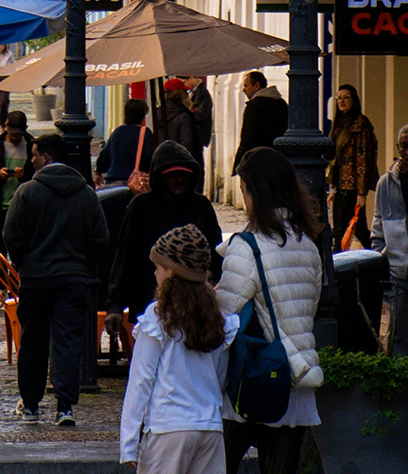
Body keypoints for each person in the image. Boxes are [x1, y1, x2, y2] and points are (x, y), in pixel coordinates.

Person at [217, 146, 324, 473]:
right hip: (295, 381)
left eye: (245, 190)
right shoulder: (308, 244)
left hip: (252, 379)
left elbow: (225, 314)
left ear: (255, 192)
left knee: (218, 466)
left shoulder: (247, 247)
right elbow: (312, 308)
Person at [3, 131, 110, 428]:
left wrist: (26, 263)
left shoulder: (27, 192)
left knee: (33, 340)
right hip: (72, 278)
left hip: (36, 279)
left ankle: (32, 404)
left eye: (35, 154)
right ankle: (65, 406)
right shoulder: (86, 194)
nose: (31, 158)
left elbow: (11, 235)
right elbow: (100, 238)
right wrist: (83, 264)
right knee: (68, 340)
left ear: (47, 158)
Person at [119, 223, 239, 474]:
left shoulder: (158, 317)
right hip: (209, 428)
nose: (154, 273)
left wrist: (128, 443)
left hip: (168, 427)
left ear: (172, 272)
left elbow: (141, 381)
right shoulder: (215, 317)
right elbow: (220, 376)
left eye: (158, 267)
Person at [116, 141, 224, 323]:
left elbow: (216, 255)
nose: (179, 179)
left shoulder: (202, 206)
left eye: (183, 175)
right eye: (172, 175)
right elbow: (125, 257)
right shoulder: (141, 207)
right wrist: (115, 306)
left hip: (194, 309)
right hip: (147, 305)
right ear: (159, 177)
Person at [369, 120, 408, 355]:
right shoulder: (386, 182)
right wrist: (382, 256)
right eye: (403, 146)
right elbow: (378, 225)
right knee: (398, 333)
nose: (407, 151)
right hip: (398, 270)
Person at [327, 83, 379, 250]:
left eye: (346, 97)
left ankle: (378, 259)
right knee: (339, 232)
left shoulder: (360, 125)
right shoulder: (339, 124)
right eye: (339, 98)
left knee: (359, 230)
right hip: (340, 186)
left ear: (353, 100)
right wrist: (333, 186)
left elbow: (363, 160)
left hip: (352, 188)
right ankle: (337, 269)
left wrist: (361, 192)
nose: (341, 101)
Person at [0, 111, 36, 247]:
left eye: (18, 134)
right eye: (12, 133)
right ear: (6, 126)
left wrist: (24, 175)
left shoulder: (31, 145)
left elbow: (37, 173)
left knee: (21, 244)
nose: (15, 137)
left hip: (22, 205)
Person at [97, 96, 155, 186]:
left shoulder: (117, 132)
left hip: (114, 181)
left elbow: (104, 158)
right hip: (137, 183)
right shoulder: (145, 133)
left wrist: (98, 171)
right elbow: (150, 157)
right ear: (142, 116)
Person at [233, 74, 287, 169]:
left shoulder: (254, 106)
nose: (243, 90)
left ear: (256, 85)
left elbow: (248, 137)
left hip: (257, 160)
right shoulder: (281, 104)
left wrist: (241, 162)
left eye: (246, 85)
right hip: (278, 159)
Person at [163, 82, 204, 162]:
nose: (187, 95)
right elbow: (187, 144)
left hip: (163, 161)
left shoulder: (159, 113)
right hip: (181, 163)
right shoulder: (184, 117)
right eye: (185, 92)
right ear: (179, 94)